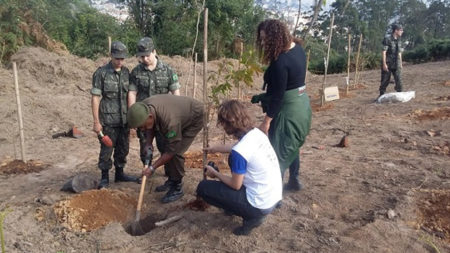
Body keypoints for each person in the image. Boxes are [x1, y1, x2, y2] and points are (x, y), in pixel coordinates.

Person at [196, 100, 282, 236]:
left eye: (223, 123)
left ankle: (252, 218)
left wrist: (215, 174)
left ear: (228, 123)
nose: (222, 126)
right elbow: (237, 147)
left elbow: (236, 185)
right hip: (272, 195)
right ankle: (235, 206)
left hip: (258, 205)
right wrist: (215, 148)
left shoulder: (239, 153)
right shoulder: (257, 133)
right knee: (232, 163)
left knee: (203, 188)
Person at [252, 19, 312, 191]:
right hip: (302, 105)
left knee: (279, 150)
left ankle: (274, 194)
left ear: (275, 37)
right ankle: (294, 180)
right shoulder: (298, 49)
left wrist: (266, 122)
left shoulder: (281, 62)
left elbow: (278, 97)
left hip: (289, 110)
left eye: (265, 39)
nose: (263, 43)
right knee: (292, 144)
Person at [127, 94, 203, 203]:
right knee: (163, 145)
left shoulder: (169, 121)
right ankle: (172, 179)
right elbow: (149, 126)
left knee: (176, 152)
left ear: (150, 117)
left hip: (195, 116)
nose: (142, 129)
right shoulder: (143, 108)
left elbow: (172, 150)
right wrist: (148, 143)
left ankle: (177, 186)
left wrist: (152, 168)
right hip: (178, 113)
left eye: (142, 126)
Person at [128, 37, 181, 192]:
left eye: (147, 55)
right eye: (141, 56)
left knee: (167, 146)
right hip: (145, 119)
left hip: (163, 119)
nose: (144, 59)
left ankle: (171, 177)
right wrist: (133, 117)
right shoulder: (136, 72)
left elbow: (175, 92)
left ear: (154, 52)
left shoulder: (168, 70)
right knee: (145, 146)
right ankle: (147, 170)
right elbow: (132, 93)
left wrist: (176, 116)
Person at [91, 41, 140, 189]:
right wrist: (96, 121)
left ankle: (120, 173)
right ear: (111, 55)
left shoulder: (126, 73)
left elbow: (131, 95)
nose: (120, 61)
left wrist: (132, 120)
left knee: (123, 148)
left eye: (122, 58)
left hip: (124, 119)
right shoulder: (101, 73)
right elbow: (95, 98)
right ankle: (104, 177)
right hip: (108, 119)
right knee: (107, 149)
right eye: (117, 58)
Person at [379, 24, 404, 97]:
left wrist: (401, 64)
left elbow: (399, 53)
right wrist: (384, 64)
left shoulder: (399, 40)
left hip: (397, 63)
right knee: (385, 80)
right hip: (388, 63)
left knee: (399, 80)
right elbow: (384, 52)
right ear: (396, 30)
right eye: (401, 30)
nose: (402, 32)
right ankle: (381, 95)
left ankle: (400, 94)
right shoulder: (387, 39)